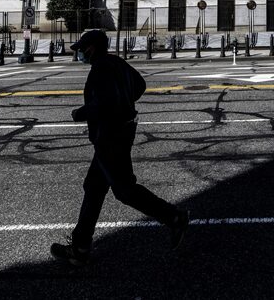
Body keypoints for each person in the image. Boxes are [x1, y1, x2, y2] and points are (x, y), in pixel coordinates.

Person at [51, 29, 189, 266]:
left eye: (82, 49)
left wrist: (80, 113)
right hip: (121, 133)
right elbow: (140, 85)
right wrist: (126, 100)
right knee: (94, 187)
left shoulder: (100, 69)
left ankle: (174, 217)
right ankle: (81, 246)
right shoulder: (116, 62)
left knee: (125, 190)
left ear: (92, 47)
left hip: (110, 137)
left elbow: (104, 103)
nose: (80, 54)